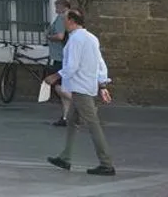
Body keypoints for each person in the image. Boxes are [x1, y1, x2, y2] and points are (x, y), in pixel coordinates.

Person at [45, 10, 115, 176]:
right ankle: (65, 157)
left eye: (65, 20)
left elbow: (72, 66)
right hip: (86, 86)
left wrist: (55, 76)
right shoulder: (91, 38)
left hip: (80, 87)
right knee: (72, 121)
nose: (64, 23)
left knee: (93, 124)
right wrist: (102, 84)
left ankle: (106, 163)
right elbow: (100, 64)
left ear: (71, 21)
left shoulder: (75, 39)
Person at [46, 0, 73, 126]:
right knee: (63, 86)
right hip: (62, 56)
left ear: (63, 6)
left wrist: (49, 37)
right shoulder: (66, 17)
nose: (55, 7)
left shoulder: (62, 18)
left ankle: (81, 105)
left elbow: (60, 36)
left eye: (57, 5)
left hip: (60, 57)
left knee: (58, 86)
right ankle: (66, 117)